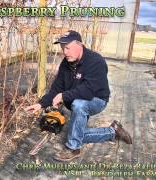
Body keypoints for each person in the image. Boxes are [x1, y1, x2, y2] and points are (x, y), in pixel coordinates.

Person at [25, 30, 132, 161]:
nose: (65, 52)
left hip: (97, 100)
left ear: (79, 45)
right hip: (77, 99)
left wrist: (63, 96)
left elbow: (88, 91)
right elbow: (56, 88)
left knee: (79, 106)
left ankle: (73, 148)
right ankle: (113, 131)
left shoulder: (95, 61)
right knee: (75, 133)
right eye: (62, 48)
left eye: (68, 48)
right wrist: (41, 103)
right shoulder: (66, 63)